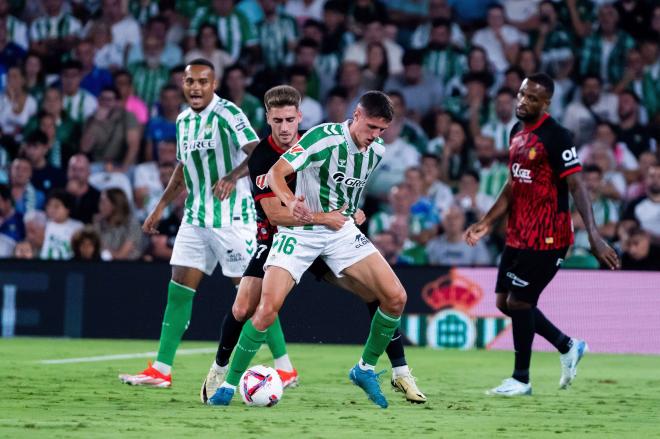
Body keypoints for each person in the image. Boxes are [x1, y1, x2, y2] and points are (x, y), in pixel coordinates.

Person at [202, 86, 426, 404]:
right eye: (371, 127)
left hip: (338, 232)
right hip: (293, 233)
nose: (375, 135)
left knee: (393, 297)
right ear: (356, 116)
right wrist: (294, 203)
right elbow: (278, 183)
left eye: (382, 130)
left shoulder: (376, 153)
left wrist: (352, 211)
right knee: (258, 309)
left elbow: (344, 192)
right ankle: (224, 382)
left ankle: (370, 368)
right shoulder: (316, 140)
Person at [464, 73, 619, 397]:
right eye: (522, 94)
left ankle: (521, 379)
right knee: (504, 303)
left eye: (532, 98)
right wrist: (488, 221)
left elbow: (577, 184)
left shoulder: (556, 135)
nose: (524, 101)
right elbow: (512, 183)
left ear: (546, 102)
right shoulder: (515, 131)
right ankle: (568, 345)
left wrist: (594, 236)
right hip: (518, 233)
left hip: (549, 236)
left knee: (520, 301)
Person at [118, 59, 259, 388]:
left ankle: (284, 366)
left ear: (214, 84)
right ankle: (162, 370)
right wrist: (159, 208)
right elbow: (182, 169)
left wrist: (232, 176)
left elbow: (259, 151)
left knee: (251, 295)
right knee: (178, 288)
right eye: (190, 81)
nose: (195, 87)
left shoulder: (229, 114)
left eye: (202, 81)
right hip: (195, 217)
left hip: (232, 216)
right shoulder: (182, 121)